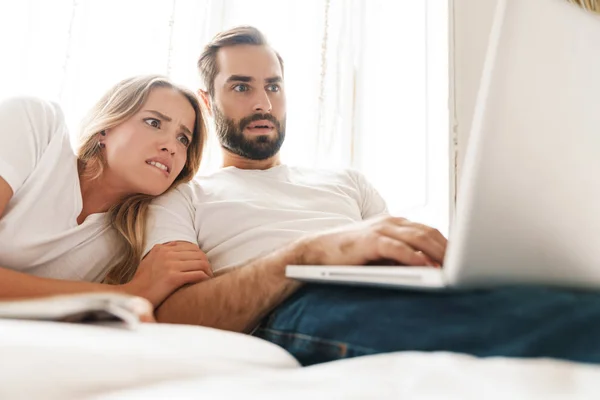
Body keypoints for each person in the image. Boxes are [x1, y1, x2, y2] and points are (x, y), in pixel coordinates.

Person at [143, 27, 600, 366]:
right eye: (241, 87)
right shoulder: (186, 196)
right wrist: (305, 255)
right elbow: (173, 318)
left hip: (385, 292)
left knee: (556, 301)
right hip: (293, 308)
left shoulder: (347, 181)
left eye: (274, 86)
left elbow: (399, 256)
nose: (263, 103)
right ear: (207, 100)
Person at [0, 75, 213, 316]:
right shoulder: (36, 125)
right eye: (154, 123)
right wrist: (127, 294)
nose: (171, 147)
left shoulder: (131, 242)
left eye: (183, 138)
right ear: (105, 129)